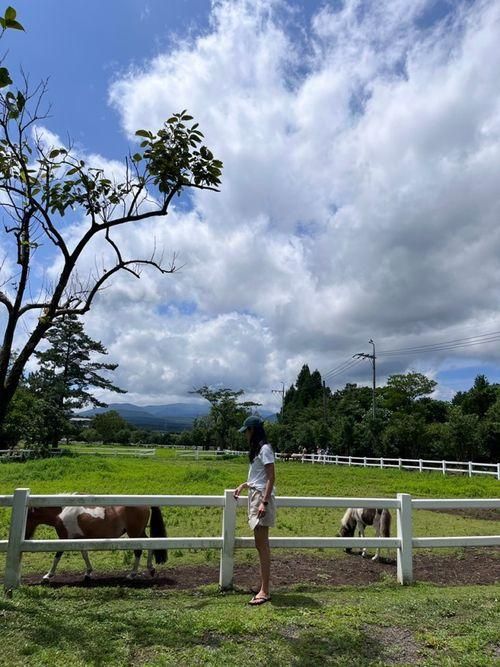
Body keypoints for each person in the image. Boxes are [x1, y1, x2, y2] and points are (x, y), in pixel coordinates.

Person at [233, 415, 276, 606]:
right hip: (256, 495)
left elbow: (271, 477)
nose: (245, 436)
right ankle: (263, 586)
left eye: (246, 431)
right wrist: (244, 484)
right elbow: (259, 476)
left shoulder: (265, 449)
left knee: (262, 546)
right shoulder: (259, 450)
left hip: (261, 498)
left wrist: (264, 502)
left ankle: (265, 591)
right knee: (260, 545)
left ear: (253, 431)